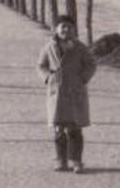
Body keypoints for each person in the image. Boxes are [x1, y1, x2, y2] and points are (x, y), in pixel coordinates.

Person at [36, 15, 97, 173]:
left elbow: (91, 64)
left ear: (74, 30)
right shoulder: (49, 47)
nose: (66, 30)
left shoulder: (80, 47)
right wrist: (48, 77)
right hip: (56, 94)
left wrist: (82, 79)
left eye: (69, 27)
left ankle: (76, 161)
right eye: (62, 26)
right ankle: (61, 160)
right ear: (55, 29)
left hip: (74, 93)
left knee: (74, 129)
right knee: (59, 130)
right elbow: (41, 65)